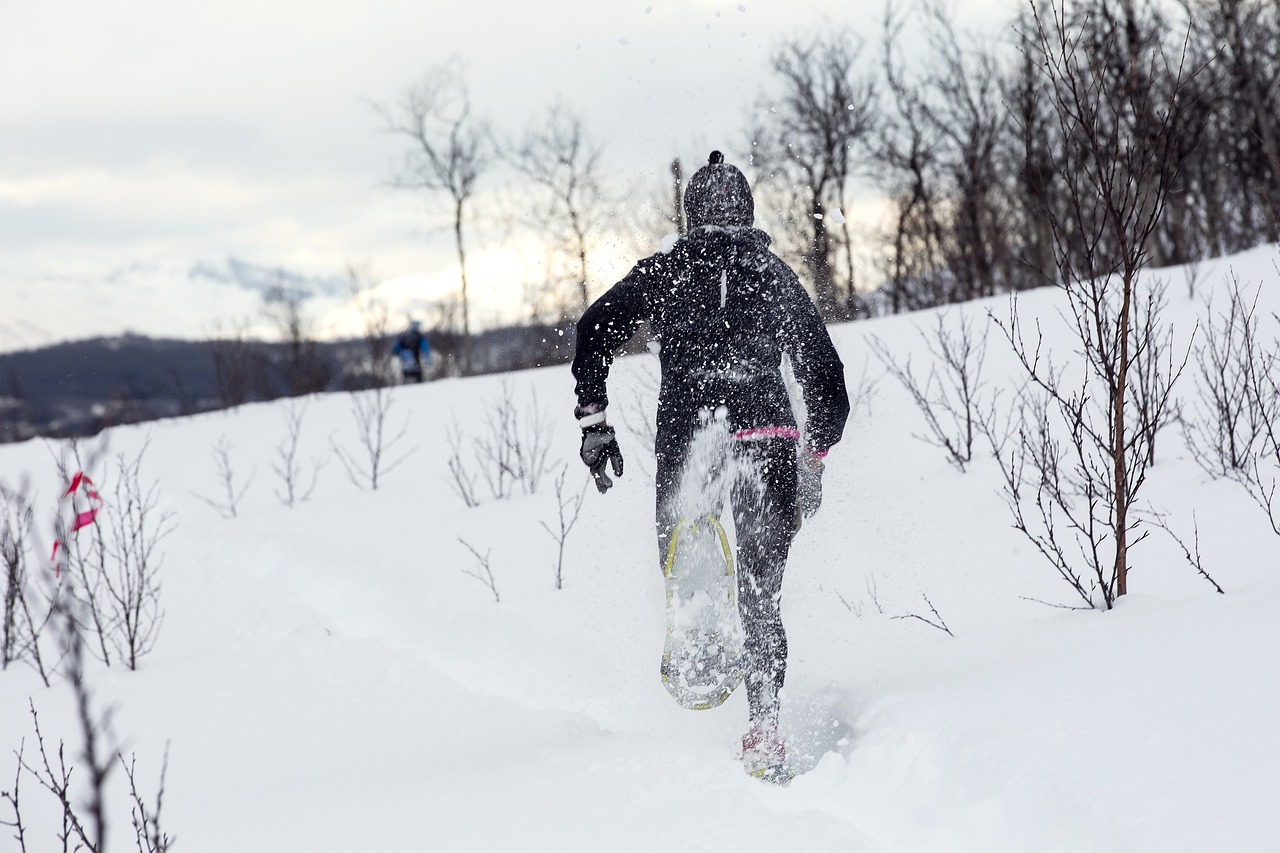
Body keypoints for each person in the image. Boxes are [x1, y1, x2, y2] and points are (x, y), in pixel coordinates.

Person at [570, 150, 850, 774]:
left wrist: (595, 424)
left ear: (691, 215)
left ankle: (703, 639)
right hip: (769, 437)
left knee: (688, 559)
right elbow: (826, 380)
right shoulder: (773, 275)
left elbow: (592, 333)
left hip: (691, 443)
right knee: (762, 592)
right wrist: (815, 456)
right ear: (747, 212)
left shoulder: (666, 272)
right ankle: (765, 727)